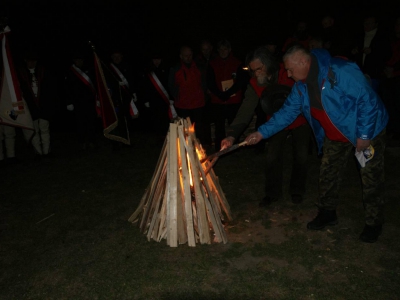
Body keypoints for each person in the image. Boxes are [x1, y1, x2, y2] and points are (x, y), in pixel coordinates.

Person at [243, 45, 388, 243]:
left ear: (303, 62)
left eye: (290, 69)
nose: (288, 73)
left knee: (370, 177)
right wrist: (261, 133)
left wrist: (363, 135)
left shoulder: (339, 71)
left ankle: (374, 223)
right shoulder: (301, 87)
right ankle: (328, 213)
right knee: (328, 173)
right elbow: (286, 114)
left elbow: (368, 100)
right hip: (335, 135)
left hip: (366, 129)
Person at [221, 46, 311, 206]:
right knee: (272, 156)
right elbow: (246, 109)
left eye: (259, 69)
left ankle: (297, 190)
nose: (256, 73)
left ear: (268, 63)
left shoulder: (289, 72)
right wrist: (232, 134)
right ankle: (272, 193)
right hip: (275, 124)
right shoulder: (255, 83)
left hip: (300, 120)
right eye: (252, 70)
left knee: (301, 155)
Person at [207, 39, 248, 151]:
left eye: (225, 49)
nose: (223, 51)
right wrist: (220, 94)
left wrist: (228, 94)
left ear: (229, 50)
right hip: (217, 100)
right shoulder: (212, 64)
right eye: (220, 49)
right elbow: (210, 82)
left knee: (234, 125)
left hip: (233, 100)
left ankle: (235, 148)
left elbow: (240, 82)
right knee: (219, 127)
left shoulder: (237, 63)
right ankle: (219, 150)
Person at [17, 50, 57, 159]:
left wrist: (49, 104)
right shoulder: (20, 73)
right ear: (25, 61)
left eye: (34, 61)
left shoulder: (43, 71)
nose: (32, 63)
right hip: (30, 107)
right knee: (34, 130)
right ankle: (38, 153)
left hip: (44, 105)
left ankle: (46, 151)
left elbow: (50, 89)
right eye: (30, 61)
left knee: (44, 128)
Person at [64, 50, 100, 150]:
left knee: (91, 122)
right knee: (80, 123)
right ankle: (82, 142)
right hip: (77, 102)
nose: (78, 62)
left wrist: (98, 99)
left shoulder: (90, 70)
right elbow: (67, 88)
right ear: (74, 61)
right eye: (76, 60)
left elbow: (96, 85)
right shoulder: (70, 71)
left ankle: (92, 141)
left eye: (80, 60)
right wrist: (69, 102)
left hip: (90, 101)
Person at [168, 45, 206, 141]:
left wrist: (203, 95)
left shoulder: (199, 67)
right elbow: (171, 85)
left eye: (190, 55)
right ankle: (186, 149)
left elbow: (204, 83)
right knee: (185, 130)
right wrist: (178, 96)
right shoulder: (175, 69)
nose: (188, 57)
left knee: (199, 130)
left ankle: (199, 149)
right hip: (183, 105)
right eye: (186, 55)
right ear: (181, 56)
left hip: (198, 104)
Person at [350, 13, 392, 93]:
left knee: (371, 96)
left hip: (374, 74)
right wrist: (353, 52)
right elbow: (351, 51)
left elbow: (387, 54)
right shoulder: (359, 36)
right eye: (365, 23)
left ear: (376, 24)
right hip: (359, 73)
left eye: (369, 23)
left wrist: (372, 52)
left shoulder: (382, 37)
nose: (366, 25)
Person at [137, 50, 173, 140]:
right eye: (155, 59)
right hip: (153, 99)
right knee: (155, 119)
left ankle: (166, 137)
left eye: (158, 59)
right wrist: (145, 99)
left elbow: (170, 84)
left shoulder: (167, 69)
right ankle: (158, 137)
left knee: (165, 118)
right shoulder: (148, 71)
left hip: (164, 99)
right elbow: (144, 86)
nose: (157, 61)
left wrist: (171, 97)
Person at [195, 39, 217, 149]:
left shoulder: (216, 58)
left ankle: (216, 140)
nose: (206, 51)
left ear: (211, 48)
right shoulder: (197, 61)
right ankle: (204, 141)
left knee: (216, 117)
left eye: (207, 49)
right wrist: (205, 89)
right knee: (203, 119)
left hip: (215, 93)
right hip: (202, 94)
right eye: (203, 49)